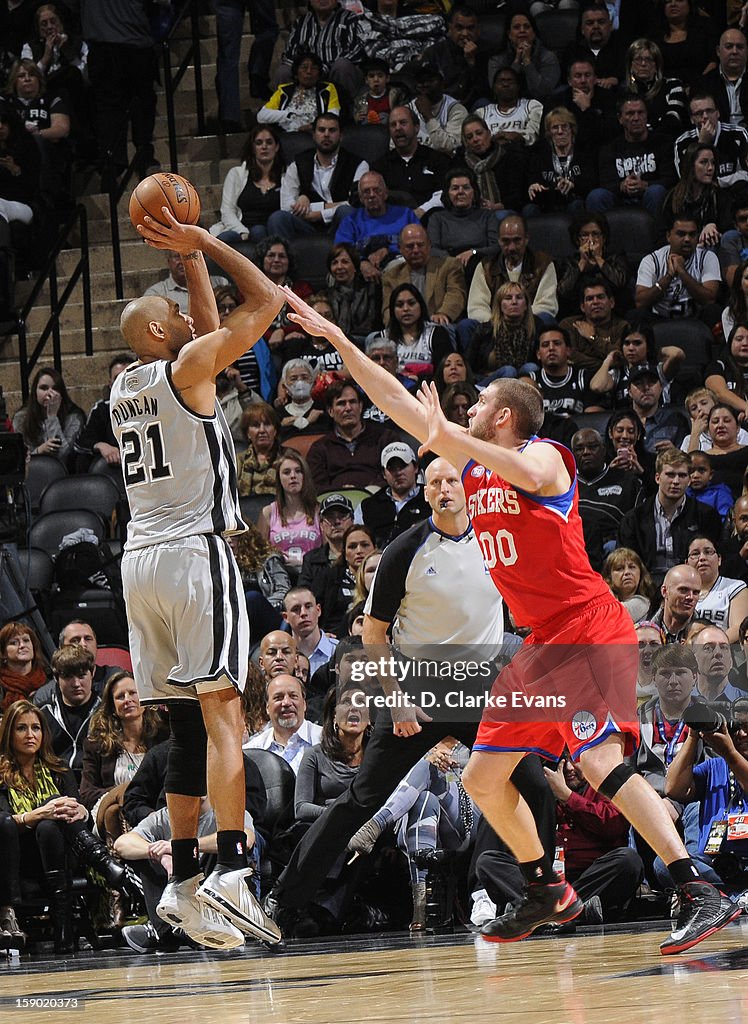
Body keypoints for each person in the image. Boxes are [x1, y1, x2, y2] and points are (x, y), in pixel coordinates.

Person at [276, 288, 742, 954]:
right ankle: (541, 887)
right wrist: (339, 342)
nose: (474, 401)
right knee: (482, 777)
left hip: (588, 627)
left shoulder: (545, 456)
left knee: (602, 758)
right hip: (540, 644)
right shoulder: (468, 462)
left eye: (484, 397)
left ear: (504, 415)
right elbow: (397, 403)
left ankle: (697, 886)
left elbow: (522, 465)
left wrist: (452, 436)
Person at [264, 454, 553, 940]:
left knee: (535, 786)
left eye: (451, 480)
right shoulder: (405, 549)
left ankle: (540, 896)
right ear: (425, 491)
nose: (444, 488)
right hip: (415, 691)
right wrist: (395, 699)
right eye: (434, 481)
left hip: (479, 687)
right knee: (360, 800)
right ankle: (282, 902)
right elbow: (374, 632)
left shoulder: (496, 540)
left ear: (469, 489)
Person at [110, 200, 285, 949]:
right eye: (176, 312)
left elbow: (208, 327)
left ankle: (182, 885)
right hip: (191, 553)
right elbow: (266, 301)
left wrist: (186, 262)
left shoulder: (125, 388)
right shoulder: (188, 365)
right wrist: (207, 239)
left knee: (182, 723)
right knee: (224, 714)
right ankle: (234, 871)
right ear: (158, 333)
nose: (189, 317)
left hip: (139, 564)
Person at [0, 700, 141, 953]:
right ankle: (104, 863)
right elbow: (4, 823)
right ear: (9, 733)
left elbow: (78, 813)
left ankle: (63, 923)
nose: (30, 735)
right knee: (50, 816)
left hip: (63, 853)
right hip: (20, 858)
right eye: (21, 728)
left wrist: (82, 811)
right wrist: (40, 813)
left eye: (36, 728)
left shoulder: (59, 769)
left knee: (53, 823)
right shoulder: (1, 775)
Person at [79, 671, 168, 843]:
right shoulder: (97, 743)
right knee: (120, 802)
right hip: (111, 809)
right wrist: (121, 792)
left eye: (133, 693)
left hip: (152, 805)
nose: (127, 699)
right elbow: (87, 793)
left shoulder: (163, 737)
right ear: (112, 707)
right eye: (120, 696)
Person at [618, 449, 722, 585]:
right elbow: (625, 560)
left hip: (692, 583)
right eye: (670, 475)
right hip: (646, 585)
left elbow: (717, 558)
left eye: (682, 475)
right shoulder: (634, 519)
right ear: (657, 478)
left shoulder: (707, 515)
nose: (676, 481)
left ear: (689, 480)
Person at [267, 113, 366, 240]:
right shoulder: (298, 163)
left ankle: (344, 259)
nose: (326, 134)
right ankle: (284, 259)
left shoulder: (358, 164)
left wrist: (319, 211)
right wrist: (305, 200)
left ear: (341, 136)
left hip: (340, 224)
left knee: (346, 212)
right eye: (321, 130)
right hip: (305, 225)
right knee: (278, 218)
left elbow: (355, 204)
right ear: (313, 135)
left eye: (332, 130)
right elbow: (286, 206)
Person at [587, 93, 676, 215]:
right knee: (596, 196)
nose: (636, 118)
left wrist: (645, 185)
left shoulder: (664, 143)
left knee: (656, 191)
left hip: (650, 196)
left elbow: (671, 179)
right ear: (620, 118)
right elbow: (605, 182)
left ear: (646, 116)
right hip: (619, 199)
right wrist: (622, 186)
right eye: (630, 114)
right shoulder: (609, 149)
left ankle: (658, 233)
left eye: (640, 113)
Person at [466, 214, 558, 329]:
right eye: (506, 241)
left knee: (546, 319)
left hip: (531, 325)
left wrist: (518, 318)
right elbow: (476, 307)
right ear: (498, 241)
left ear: (526, 239)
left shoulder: (543, 264)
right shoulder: (486, 267)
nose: (511, 247)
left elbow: (547, 305)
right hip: (494, 327)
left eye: (517, 240)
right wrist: (500, 323)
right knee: (466, 326)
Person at [306, 380, 399, 491]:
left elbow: (398, 473)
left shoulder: (385, 438)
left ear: (360, 407)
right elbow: (315, 486)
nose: (348, 408)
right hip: (335, 503)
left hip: (378, 498)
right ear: (330, 411)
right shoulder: (320, 448)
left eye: (353, 402)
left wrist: (368, 490)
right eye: (341, 403)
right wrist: (341, 491)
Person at [571, 428, 642, 570]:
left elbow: (636, 524)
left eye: (592, 447)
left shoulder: (626, 481)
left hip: (610, 547)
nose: (586, 452)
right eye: (579, 449)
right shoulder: (563, 483)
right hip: (573, 543)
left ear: (603, 450)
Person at [635, 215, 721, 323]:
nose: (687, 239)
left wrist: (682, 272)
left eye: (692, 234)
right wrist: (668, 276)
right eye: (681, 234)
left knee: (713, 311)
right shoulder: (652, 260)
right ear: (668, 236)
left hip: (695, 321)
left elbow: (709, 299)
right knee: (636, 315)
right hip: (659, 320)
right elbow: (640, 302)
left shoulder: (707, 258)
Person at [209, 125, 284, 249]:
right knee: (224, 239)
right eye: (259, 143)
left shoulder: (286, 176)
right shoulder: (237, 174)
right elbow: (227, 211)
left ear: (276, 147)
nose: (264, 147)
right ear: (253, 148)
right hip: (240, 229)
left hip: (271, 231)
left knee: (259, 231)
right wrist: (243, 231)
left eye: (269, 142)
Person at [277, 0, 365, 102]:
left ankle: (346, 112)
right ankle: (290, 111)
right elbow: (290, 53)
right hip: (308, 72)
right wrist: (304, 69)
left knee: (342, 65)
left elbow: (357, 49)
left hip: (336, 71)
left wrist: (324, 68)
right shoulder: (301, 22)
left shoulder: (350, 18)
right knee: (283, 71)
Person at [382, 224, 466, 328]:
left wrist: (443, 314)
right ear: (400, 249)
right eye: (410, 246)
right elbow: (388, 309)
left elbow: (456, 295)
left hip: (440, 325)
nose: (416, 250)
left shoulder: (449, 266)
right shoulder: (391, 275)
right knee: (372, 338)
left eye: (420, 245)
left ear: (429, 245)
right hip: (405, 329)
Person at [371, 106, 450, 216]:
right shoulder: (380, 165)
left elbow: (443, 194)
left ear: (416, 128)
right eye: (393, 125)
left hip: (429, 219)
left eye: (403, 123)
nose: (398, 128)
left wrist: (420, 211)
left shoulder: (437, 159)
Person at [37, 644, 101, 782]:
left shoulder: (106, 711)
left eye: (82, 675)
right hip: (55, 785)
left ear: (93, 673)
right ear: (56, 678)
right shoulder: (44, 713)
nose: (76, 683)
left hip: (95, 784)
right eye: (68, 677)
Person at [333, 171, 418, 268]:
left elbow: (418, 244)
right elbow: (341, 251)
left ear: (386, 193)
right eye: (366, 191)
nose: (372, 195)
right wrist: (362, 263)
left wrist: (388, 250)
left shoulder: (406, 215)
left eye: (377, 190)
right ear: (361, 198)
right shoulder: (350, 221)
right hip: (360, 268)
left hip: (397, 264)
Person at [524, 107, 596, 218]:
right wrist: (533, 186)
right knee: (529, 209)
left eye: (564, 127)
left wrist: (573, 185)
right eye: (555, 128)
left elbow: (591, 183)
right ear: (549, 133)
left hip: (574, 200)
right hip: (548, 204)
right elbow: (533, 179)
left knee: (576, 206)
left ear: (572, 129)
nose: (560, 131)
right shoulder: (540, 155)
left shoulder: (584, 153)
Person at [590, 323, 684, 408]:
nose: (631, 348)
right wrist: (608, 359)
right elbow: (597, 386)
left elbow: (677, 354)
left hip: (658, 423)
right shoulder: (618, 374)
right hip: (626, 424)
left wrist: (654, 351)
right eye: (626, 343)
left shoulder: (659, 370)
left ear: (648, 346)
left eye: (637, 343)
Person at [555, 212, 629, 319]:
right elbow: (563, 292)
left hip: (614, 316)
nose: (590, 240)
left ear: (604, 238)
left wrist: (599, 259)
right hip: (576, 316)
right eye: (584, 235)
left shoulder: (616, 257)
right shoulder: (568, 262)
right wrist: (582, 263)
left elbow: (620, 283)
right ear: (577, 239)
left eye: (595, 234)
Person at [258, 450, 322, 574]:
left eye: (298, 471)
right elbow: (260, 553)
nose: (293, 476)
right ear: (279, 479)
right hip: (279, 575)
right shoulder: (268, 513)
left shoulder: (318, 511)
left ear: (305, 476)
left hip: (312, 574)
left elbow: (328, 552)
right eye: (286, 472)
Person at [357, 441, 430, 547]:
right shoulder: (368, 506)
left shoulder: (430, 498)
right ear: (384, 474)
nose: (398, 472)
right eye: (392, 468)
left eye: (403, 466)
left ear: (416, 468)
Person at [244, 675, 322, 774]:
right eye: (278, 698)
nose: (286, 703)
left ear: (304, 704)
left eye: (293, 696)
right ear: (267, 707)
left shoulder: (326, 741)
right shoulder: (252, 753)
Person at [426, 167, 499, 272]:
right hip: (447, 266)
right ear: (447, 193)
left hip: (481, 265)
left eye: (466, 187)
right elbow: (433, 249)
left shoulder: (487, 216)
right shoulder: (437, 218)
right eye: (455, 188)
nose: (460, 192)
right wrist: (453, 261)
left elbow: (496, 246)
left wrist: (473, 252)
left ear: (474, 192)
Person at [467, 281, 539, 384]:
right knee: (508, 370)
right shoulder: (485, 330)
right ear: (500, 305)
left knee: (531, 368)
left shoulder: (536, 328)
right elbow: (469, 365)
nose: (514, 302)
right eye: (508, 298)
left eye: (519, 298)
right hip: (488, 382)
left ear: (526, 305)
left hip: (522, 379)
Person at [674, 91, 748, 191]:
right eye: (699, 113)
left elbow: (745, 173)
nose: (705, 116)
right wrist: (702, 145)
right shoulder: (682, 143)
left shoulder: (738, 134)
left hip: (733, 194)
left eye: (709, 111)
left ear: (718, 113)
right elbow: (686, 182)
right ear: (692, 119)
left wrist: (718, 182)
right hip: (702, 198)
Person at [12, 365, 84, 465]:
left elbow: (62, 455)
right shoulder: (21, 418)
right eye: (44, 388)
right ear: (35, 392)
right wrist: (39, 451)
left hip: (65, 475)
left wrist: (52, 416)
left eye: (55, 388)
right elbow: (20, 459)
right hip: (33, 472)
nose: (50, 393)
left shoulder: (73, 416)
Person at [456, 114, 527, 218]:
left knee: (498, 217)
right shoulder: (460, 163)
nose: (475, 139)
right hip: (472, 213)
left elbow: (518, 195)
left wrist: (497, 206)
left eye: (479, 133)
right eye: (469, 137)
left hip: (505, 210)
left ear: (489, 134)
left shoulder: (508, 157)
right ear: (466, 142)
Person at [74, 353, 134, 474]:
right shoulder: (102, 409)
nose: (122, 382)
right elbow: (81, 443)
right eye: (117, 378)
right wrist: (101, 445)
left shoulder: (151, 405)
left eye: (127, 376)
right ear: (110, 385)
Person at [663, 144, 731, 247]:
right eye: (703, 162)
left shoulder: (719, 195)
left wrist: (713, 226)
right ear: (691, 166)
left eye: (713, 163)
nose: (710, 168)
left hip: (709, 249)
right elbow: (662, 232)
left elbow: (728, 228)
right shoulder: (673, 197)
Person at [315, 524, 377, 637]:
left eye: (365, 545)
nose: (359, 551)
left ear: (375, 548)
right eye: (352, 546)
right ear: (344, 552)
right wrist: (320, 635)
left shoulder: (383, 578)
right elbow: (314, 610)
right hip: (333, 640)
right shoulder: (329, 577)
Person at [380, 283, 454, 377]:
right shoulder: (382, 338)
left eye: (411, 303)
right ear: (392, 310)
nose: (406, 309)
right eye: (400, 305)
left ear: (421, 305)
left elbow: (442, 372)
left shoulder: (436, 334)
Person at [258, 52, 340, 134]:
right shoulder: (284, 90)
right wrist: (290, 115)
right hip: (286, 134)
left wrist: (314, 126)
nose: (309, 71)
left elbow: (333, 115)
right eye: (304, 67)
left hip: (316, 135)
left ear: (319, 73)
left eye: (314, 68)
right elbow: (261, 116)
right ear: (296, 72)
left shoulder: (327, 89)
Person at [558, 278, 630, 371]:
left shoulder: (622, 327)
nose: (595, 302)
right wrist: (606, 364)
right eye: (589, 299)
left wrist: (593, 338)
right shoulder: (569, 325)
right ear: (582, 307)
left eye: (600, 297)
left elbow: (619, 358)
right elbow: (569, 356)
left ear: (611, 303)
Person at [488, 10, 561, 102]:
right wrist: (516, 62)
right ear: (509, 34)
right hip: (505, 105)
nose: (522, 30)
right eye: (516, 27)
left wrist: (527, 62)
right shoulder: (497, 59)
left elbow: (543, 91)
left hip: (541, 105)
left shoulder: (548, 57)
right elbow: (499, 92)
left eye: (527, 27)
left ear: (534, 33)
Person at [687, 536, 748, 643]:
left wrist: (712, 646)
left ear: (719, 559)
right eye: (695, 553)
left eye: (708, 552)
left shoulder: (735, 587)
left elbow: (739, 627)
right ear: (686, 563)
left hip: (726, 652)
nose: (702, 558)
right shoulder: (680, 592)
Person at [623, 38, 687, 136]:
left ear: (656, 65)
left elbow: (673, 120)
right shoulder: (623, 91)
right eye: (638, 59)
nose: (643, 64)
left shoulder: (673, 86)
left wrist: (643, 129)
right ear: (630, 65)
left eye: (649, 59)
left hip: (665, 142)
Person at [649, 0, 719, 89]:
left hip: (701, 89)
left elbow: (713, 62)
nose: (673, 4)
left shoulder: (706, 28)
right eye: (668, 1)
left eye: (679, 0)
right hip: (663, 90)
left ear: (689, 4)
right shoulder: (654, 35)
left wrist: (696, 87)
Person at [407, 64, 468, 157]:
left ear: (442, 83)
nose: (425, 85)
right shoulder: (406, 110)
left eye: (430, 80)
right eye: (421, 81)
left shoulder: (456, 110)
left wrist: (428, 116)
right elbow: (394, 146)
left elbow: (452, 147)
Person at [475, 66, 543, 149]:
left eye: (510, 81)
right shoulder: (481, 113)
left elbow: (534, 134)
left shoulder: (532, 106)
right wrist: (493, 140)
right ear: (494, 87)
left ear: (518, 86)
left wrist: (517, 137)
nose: (505, 84)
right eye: (501, 81)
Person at [324, 243, 382, 339]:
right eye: (334, 263)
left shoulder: (372, 290)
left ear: (355, 266)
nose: (339, 267)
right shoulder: (326, 296)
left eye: (345, 262)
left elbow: (373, 324)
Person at [143, 251, 228, 315]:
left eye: (189, 256)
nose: (183, 261)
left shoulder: (220, 283)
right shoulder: (156, 294)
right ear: (169, 261)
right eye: (177, 257)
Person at [282, 586, 338, 680]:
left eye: (308, 606)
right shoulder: (281, 657)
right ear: (285, 617)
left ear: (318, 610)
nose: (303, 613)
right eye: (296, 609)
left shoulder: (340, 652)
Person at [236, 401, 284, 497]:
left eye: (267, 424)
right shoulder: (238, 460)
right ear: (248, 433)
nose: (262, 430)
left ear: (275, 431)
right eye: (256, 425)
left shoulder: (288, 457)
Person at [0, 622, 49, 713]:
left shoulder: (49, 681)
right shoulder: (1, 686)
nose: (22, 646)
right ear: (3, 653)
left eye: (26, 640)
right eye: (14, 643)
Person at [703, 27, 748, 126]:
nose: (734, 51)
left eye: (740, 47)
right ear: (718, 51)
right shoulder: (704, 84)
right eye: (729, 47)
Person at [704, 403, 748, 497]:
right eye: (715, 421)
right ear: (708, 430)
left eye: (727, 421)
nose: (720, 425)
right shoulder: (701, 459)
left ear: (738, 428)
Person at [602, 547, 656, 622]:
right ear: (609, 577)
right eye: (619, 568)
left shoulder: (642, 603)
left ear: (640, 573)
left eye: (632, 567)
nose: (627, 572)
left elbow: (611, 616)